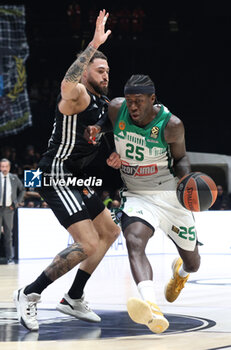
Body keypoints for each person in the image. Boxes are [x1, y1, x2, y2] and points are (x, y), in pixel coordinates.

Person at [14, 9, 120, 332]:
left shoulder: (103, 105)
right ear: (86, 70)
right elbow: (66, 82)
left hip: (75, 178)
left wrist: (114, 153)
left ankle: (73, 297)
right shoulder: (78, 95)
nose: (105, 75)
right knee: (87, 243)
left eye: (107, 71)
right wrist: (92, 44)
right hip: (56, 175)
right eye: (100, 70)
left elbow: (98, 136)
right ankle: (29, 293)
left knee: (111, 232)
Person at [86, 74, 201, 334]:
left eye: (139, 101)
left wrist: (186, 181)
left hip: (169, 195)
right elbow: (107, 124)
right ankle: (151, 306)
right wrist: (95, 130)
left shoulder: (172, 125)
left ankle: (180, 273)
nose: (133, 107)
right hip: (137, 193)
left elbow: (181, 158)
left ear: (153, 99)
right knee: (134, 240)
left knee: (194, 263)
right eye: (130, 101)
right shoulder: (117, 108)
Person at [0, 158, 25, 264]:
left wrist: (16, 203)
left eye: (6, 166)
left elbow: (22, 190)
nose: (4, 169)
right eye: (2, 166)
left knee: (8, 234)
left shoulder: (14, 178)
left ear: (9, 167)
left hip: (8, 209)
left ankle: (9, 257)